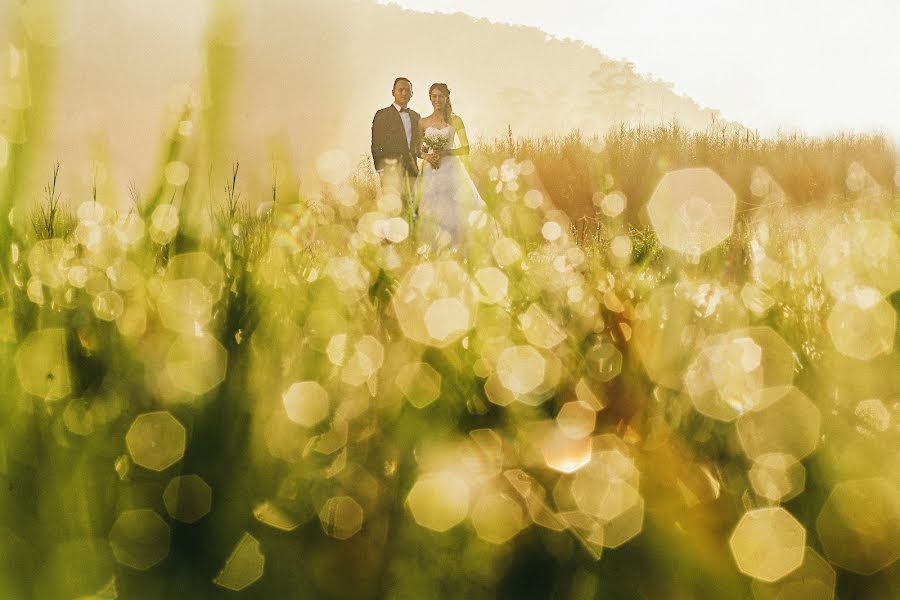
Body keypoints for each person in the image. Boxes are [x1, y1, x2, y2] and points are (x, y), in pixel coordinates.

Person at [416, 83, 491, 254]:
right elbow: (420, 151)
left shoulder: (456, 120)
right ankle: (437, 249)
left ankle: (461, 248)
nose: (437, 99)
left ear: (446, 97)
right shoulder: (423, 122)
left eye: (441, 96)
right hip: (431, 170)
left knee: (456, 209)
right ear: (430, 98)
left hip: (451, 170)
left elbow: (466, 148)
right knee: (433, 209)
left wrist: (445, 152)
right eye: (434, 96)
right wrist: (428, 156)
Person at [371, 77, 421, 221]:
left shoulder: (416, 117)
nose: (404, 93)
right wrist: (380, 169)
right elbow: (375, 144)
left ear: (412, 94)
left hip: (412, 168)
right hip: (390, 169)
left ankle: (411, 240)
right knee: (391, 207)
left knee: (413, 206)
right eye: (401, 90)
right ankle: (390, 241)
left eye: (407, 90)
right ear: (393, 92)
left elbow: (418, 145)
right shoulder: (382, 114)